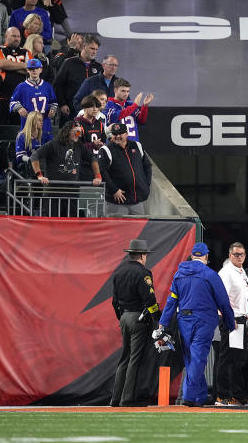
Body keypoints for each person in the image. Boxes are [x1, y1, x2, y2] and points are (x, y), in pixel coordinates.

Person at [157, 243, 236, 407]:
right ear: (206, 257)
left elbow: (171, 302)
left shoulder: (179, 275)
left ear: (192, 255)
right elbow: (223, 302)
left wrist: (163, 324)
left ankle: (199, 397)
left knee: (191, 358)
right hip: (204, 320)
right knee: (198, 358)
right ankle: (189, 396)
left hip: (184, 320)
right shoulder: (211, 275)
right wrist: (229, 322)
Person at [110, 238, 160, 407]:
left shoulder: (118, 273)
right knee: (134, 358)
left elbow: (114, 301)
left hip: (124, 317)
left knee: (124, 358)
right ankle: (128, 398)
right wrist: (156, 318)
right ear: (142, 255)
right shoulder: (143, 273)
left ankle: (115, 398)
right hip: (138, 318)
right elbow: (150, 300)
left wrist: (121, 318)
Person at [216, 242, 248, 406]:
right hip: (231, 318)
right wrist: (229, 319)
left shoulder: (242, 272)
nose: (239, 257)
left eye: (241, 254)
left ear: (245, 256)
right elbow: (222, 298)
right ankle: (223, 396)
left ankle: (238, 396)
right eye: (236, 254)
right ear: (229, 255)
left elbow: (246, 300)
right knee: (227, 358)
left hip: (240, 319)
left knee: (238, 360)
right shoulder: (226, 272)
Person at [98, 122, 152, 216]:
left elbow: (147, 166)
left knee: (138, 230)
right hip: (117, 202)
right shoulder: (105, 150)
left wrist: (146, 183)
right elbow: (102, 172)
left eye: (121, 134)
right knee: (116, 230)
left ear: (126, 134)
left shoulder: (137, 145)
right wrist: (114, 190)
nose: (117, 136)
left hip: (136, 201)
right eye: (115, 134)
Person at [10, 59, 57, 142]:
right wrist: (19, 108)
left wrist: (52, 110)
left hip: (45, 125)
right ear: (27, 70)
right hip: (28, 127)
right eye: (31, 69)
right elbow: (13, 102)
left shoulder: (47, 86)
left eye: (36, 68)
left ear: (41, 69)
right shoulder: (21, 87)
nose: (34, 70)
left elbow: (53, 102)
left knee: (46, 151)